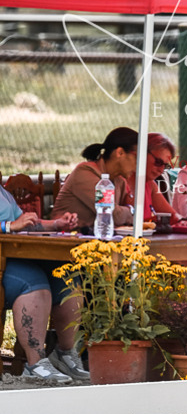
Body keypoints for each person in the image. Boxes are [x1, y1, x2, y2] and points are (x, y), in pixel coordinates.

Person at [0, 185, 87, 381]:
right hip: (3, 262)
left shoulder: (3, 192)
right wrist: (7, 226)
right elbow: (13, 224)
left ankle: (65, 354)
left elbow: (25, 223)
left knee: (66, 277)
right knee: (32, 282)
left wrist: (56, 224)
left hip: (12, 256)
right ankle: (35, 364)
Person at [52, 127, 137, 228]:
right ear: (120, 153)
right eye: (137, 156)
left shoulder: (120, 181)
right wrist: (131, 210)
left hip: (96, 240)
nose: (140, 164)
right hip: (63, 239)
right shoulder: (84, 173)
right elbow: (112, 214)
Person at [126, 132, 187, 227]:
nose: (161, 170)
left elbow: (172, 216)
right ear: (142, 153)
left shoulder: (149, 184)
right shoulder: (121, 182)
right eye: (158, 162)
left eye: (166, 166)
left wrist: (181, 221)